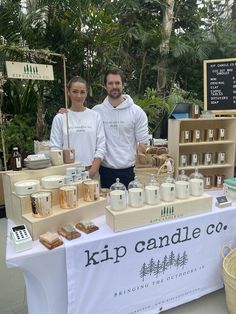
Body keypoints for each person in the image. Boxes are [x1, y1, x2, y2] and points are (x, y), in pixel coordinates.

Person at [93, 68, 149, 188]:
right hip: (104, 171)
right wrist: (68, 113)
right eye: (110, 83)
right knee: (105, 206)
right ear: (105, 86)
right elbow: (80, 117)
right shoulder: (96, 111)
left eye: (117, 83)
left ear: (123, 85)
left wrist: (136, 165)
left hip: (129, 172)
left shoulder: (137, 112)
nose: (114, 86)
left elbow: (143, 142)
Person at [50, 76, 106, 179]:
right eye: (75, 91)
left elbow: (101, 146)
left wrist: (92, 172)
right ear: (68, 92)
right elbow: (55, 148)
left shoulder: (95, 116)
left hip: (91, 171)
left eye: (82, 92)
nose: (79, 96)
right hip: (67, 173)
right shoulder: (60, 118)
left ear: (86, 93)